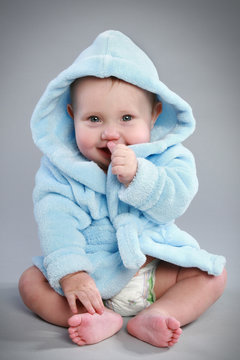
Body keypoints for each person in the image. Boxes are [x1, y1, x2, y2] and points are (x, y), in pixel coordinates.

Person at [19, 30, 226, 348]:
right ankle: (92, 316)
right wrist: (72, 274)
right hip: (91, 280)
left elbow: (175, 201)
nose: (110, 134)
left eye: (127, 117)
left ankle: (158, 313)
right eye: (94, 119)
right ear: (72, 117)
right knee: (30, 282)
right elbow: (55, 220)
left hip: (156, 270)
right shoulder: (62, 171)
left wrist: (140, 177)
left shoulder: (169, 156)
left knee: (212, 276)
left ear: (155, 115)